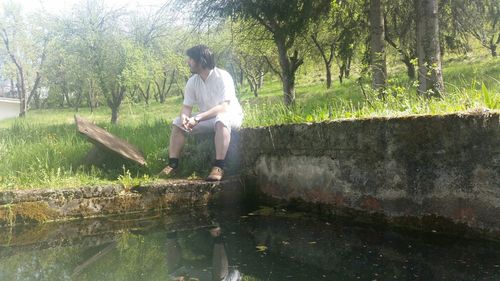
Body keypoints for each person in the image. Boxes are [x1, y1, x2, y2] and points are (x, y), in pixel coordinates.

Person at [158, 45, 243, 181]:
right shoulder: (193, 81)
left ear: (201, 61)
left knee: (221, 118)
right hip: (208, 119)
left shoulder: (223, 76)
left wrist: (197, 118)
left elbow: (224, 107)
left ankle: (219, 166)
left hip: (231, 116)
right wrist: (185, 118)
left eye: (191, 59)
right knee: (177, 122)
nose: (188, 62)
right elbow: (186, 107)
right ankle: (173, 165)